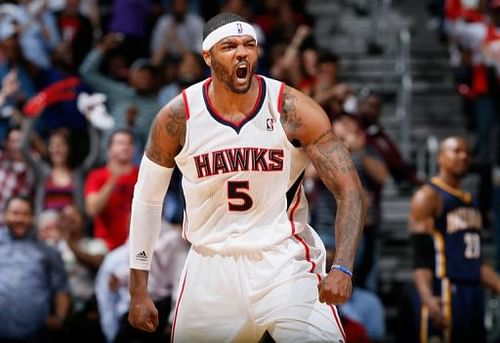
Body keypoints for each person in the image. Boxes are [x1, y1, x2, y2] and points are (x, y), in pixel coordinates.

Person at [127, 13, 365, 342]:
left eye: (249, 45)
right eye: (229, 46)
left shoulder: (292, 109)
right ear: (207, 57)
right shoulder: (177, 117)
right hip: (211, 267)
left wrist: (342, 266)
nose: (242, 53)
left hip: (285, 262)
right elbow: (148, 200)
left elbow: (349, 190)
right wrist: (138, 290)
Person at [409, 136, 500, 343]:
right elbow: (420, 256)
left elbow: (474, 259)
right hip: (444, 290)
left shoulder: (470, 200)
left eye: (467, 152)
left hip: (473, 290)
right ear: (440, 157)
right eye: (456, 151)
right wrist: (427, 297)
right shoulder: (428, 196)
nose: (464, 156)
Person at [0, 195, 70, 341]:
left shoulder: (48, 252)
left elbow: (61, 288)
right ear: (5, 214)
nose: (20, 219)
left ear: (32, 217)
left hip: (35, 333)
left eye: (26, 214)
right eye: (15, 213)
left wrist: (60, 317)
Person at [85, 129, 138, 250]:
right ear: (109, 149)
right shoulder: (97, 175)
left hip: (135, 243)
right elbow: (92, 210)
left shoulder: (142, 175)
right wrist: (113, 179)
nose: (125, 147)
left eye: (129, 143)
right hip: (104, 245)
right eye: (120, 143)